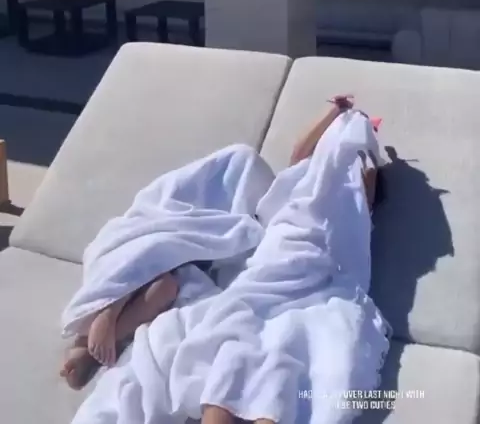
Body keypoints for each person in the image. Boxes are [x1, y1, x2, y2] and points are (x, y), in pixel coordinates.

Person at [61, 94, 380, 391]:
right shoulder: (307, 171)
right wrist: (335, 111)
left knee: (167, 287)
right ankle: (110, 306)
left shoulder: (348, 199)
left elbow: (357, 214)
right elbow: (299, 152)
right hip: (241, 215)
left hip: (257, 241)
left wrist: (369, 160)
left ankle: (95, 340)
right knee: (237, 164)